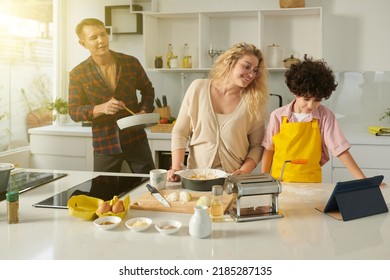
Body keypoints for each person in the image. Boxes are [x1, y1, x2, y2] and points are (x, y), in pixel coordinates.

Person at [168, 42, 269, 182]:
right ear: (230, 62)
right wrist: (176, 167)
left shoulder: (254, 101)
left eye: (255, 70)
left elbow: (257, 146)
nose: (251, 74)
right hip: (196, 178)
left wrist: (244, 170)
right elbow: (180, 131)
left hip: (233, 181)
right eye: (246, 67)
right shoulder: (198, 88)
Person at [68, 18, 155, 173]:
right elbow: (74, 111)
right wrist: (101, 108)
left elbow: (148, 90)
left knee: (149, 186)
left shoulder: (131, 62)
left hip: (136, 140)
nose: (101, 40)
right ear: (83, 43)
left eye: (103, 34)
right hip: (104, 144)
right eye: (93, 38)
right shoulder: (78, 74)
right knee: (103, 193)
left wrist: (143, 112)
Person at [261, 57, 366, 182]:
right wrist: (265, 180)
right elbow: (269, 148)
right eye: (306, 99)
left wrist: (363, 180)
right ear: (295, 92)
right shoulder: (278, 116)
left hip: (311, 183)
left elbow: (340, 149)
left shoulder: (325, 116)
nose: (311, 105)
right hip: (280, 182)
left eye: (317, 100)